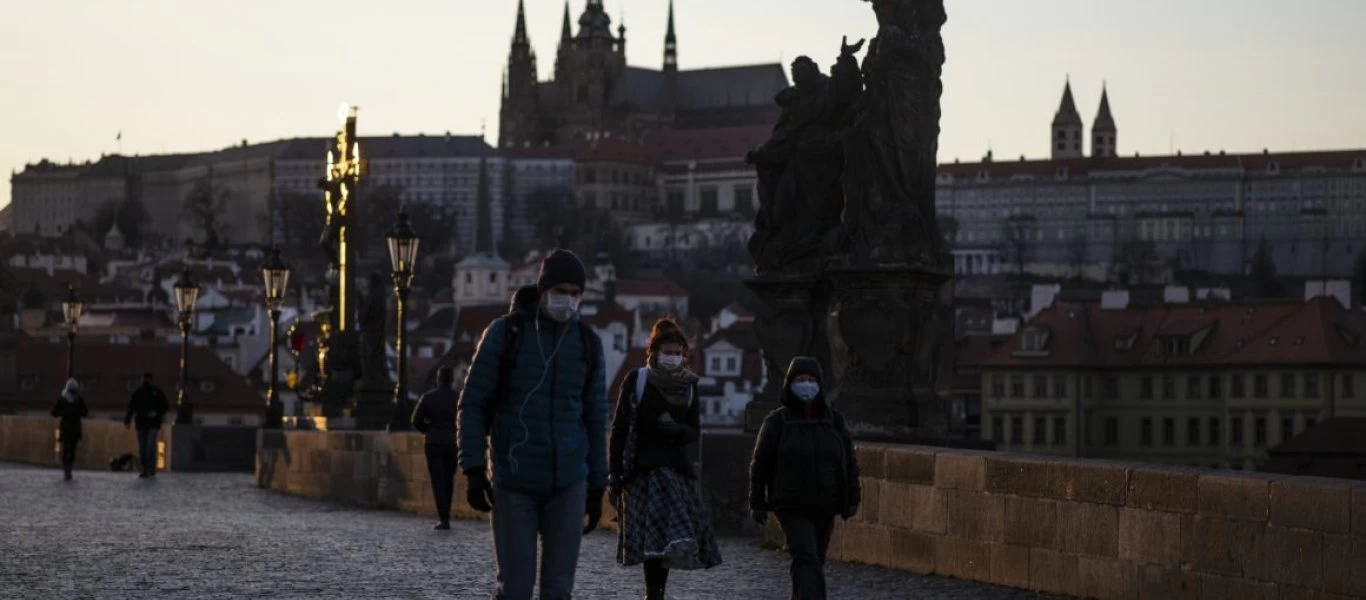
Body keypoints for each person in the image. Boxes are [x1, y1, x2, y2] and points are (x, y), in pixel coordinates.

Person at [457, 249, 608, 600]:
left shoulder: (587, 343)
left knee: (558, 590)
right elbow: (473, 403)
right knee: (515, 588)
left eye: (575, 293)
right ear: (542, 290)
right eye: (561, 291)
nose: (567, 300)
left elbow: (596, 417)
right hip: (515, 479)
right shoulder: (505, 333)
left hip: (569, 479)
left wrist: (598, 483)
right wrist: (474, 468)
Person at [609, 319, 722, 600]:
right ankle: (653, 592)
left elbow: (695, 430)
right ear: (655, 351)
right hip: (643, 471)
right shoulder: (638, 380)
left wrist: (676, 429)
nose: (672, 357)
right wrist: (614, 474)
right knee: (652, 538)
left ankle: (656, 591)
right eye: (667, 351)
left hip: (675, 471)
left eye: (677, 352)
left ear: (684, 354)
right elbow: (619, 431)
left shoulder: (689, 386)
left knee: (666, 537)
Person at [748, 357, 861, 600]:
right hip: (791, 505)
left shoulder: (833, 420)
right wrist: (757, 502)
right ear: (789, 384)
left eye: (811, 380)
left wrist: (852, 498)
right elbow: (761, 464)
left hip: (825, 504)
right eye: (800, 380)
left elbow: (849, 462)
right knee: (806, 556)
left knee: (812, 561)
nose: (806, 385)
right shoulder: (777, 421)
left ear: (820, 385)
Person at [412, 366, 459, 530]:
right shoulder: (458, 398)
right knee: (448, 479)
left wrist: (428, 431)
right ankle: (447, 514)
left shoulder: (428, 397)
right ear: (452, 379)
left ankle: (443, 518)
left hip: (433, 442)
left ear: (438, 379)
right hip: (452, 442)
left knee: (437, 480)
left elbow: (415, 420)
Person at [124, 372, 168, 478]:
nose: (145, 382)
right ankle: (145, 469)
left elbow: (165, 406)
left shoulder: (157, 392)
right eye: (144, 379)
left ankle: (150, 469)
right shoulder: (138, 393)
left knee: (149, 447)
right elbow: (131, 407)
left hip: (153, 424)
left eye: (147, 379)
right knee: (142, 449)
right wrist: (127, 420)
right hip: (141, 424)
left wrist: (156, 413)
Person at [51, 378, 89, 481]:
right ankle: (67, 468)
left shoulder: (75, 399)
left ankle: (68, 468)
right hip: (71, 428)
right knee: (68, 449)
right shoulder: (66, 399)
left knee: (70, 449)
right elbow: (54, 412)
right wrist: (68, 412)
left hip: (70, 427)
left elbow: (85, 412)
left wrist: (71, 412)